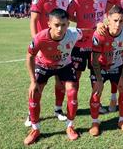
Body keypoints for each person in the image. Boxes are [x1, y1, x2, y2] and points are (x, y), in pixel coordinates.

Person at [23, 9, 83, 145]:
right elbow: (30, 56)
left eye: (63, 25)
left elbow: (88, 32)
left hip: (65, 66)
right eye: (56, 25)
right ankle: (35, 129)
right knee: (34, 93)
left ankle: (70, 126)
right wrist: (33, 81)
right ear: (49, 23)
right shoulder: (40, 37)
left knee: (72, 92)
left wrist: (100, 27)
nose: (60, 28)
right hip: (44, 66)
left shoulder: (74, 33)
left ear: (68, 24)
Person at [26, 0, 70, 127]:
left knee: (61, 82)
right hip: (43, 46)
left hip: (60, 46)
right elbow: (33, 20)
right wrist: (37, 43)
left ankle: (58, 109)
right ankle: (31, 114)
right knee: (39, 84)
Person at [89, 6, 123, 136]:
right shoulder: (100, 34)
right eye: (115, 20)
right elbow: (95, 60)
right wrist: (98, 79)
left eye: (121, 21)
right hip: (100, 67)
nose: (118, 24)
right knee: (96, 92)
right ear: (108, 20)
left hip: (117, 66)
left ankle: (122, 121)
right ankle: (95, 122)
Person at [67, 0, 108, 114]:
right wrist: (81, 24)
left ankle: (97, 104)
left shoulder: (104, 0)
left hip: (96, 45)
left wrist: (102, 23)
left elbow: (110, 15)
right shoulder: (78, 0)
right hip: (79, 45)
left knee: (96, 76)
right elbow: (67, 16)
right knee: (75, 77)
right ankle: (73, 103)